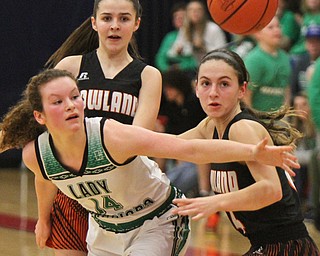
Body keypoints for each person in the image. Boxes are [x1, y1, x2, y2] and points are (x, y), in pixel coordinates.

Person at [0, 69, 300, 255]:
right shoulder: (36, 155)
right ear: (39, 116)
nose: (71, 106)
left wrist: (251, 152)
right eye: (57, 102)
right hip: (105, 230)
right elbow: (45, 179)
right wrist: (44, 218)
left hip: (155, 222)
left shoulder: (111, 136)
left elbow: (189, 150)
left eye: (75, 97)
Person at [171, 49, 320, 255]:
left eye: (224, 84)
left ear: (242, 90)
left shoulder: (242, 128)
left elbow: (271, 190)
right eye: (206, 83)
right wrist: (118, 135)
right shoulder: (209, 126)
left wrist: (212, 202)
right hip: (263, 245)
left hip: (286, 246)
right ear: (196, 88)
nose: (213, 92)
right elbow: (171, 144)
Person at [42, 0, 162, 255]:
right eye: (107, 18)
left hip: (122, 201)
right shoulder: (69, 67)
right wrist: (43, 216)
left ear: (137, 23)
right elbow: (49, 149)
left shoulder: (148, 76)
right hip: (73, 195)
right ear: (95, 23)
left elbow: (138, 142)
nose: (115, 26)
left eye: (124, 19)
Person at [244, 16, 292, 111]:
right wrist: (251, 120)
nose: (276, 30)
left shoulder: (285, 57)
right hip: (259, 119)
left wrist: (285, 114)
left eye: (278, 26)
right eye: (271, 27)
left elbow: (286, 89)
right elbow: (246, 95)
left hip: (279, 119)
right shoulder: (254, 60)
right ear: (258, 33)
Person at [169, 0, 227, 65]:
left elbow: (223, 52)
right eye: (191, 10)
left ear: (203, 12)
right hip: (193, 67)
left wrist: (203, 47)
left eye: (198, 10)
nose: (195, 12)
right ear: (187, 13)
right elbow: (171, 53)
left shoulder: (213, 28)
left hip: (213, 64)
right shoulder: (184, 29)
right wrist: (179, 51)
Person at [155, 2, 198, 77]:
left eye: (182, 17)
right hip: (170, 72)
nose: (179, 19)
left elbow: (197, 60)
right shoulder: (170, 37)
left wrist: (181, 67)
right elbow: (160, 57)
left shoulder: (195, 35)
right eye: (176, 17)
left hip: (188, 72)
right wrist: (167, 68)